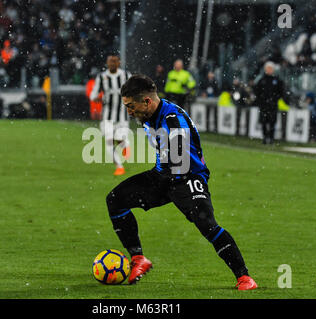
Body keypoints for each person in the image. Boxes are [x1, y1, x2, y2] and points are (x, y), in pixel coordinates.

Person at [106, 74, 257, 290]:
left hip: (188, 177)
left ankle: (244, 278)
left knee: (207, 225)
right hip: (163, 175)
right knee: (115, 200)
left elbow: (179, 161)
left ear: (147, 101)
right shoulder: (150, 114)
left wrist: (165, 181)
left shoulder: (173, 121)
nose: (129, 112)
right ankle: (138, 259)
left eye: (131, 106)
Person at [90, 54, 131, 176]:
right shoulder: (102, 77)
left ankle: (125, 146)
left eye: (114, 61)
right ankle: (119, 166)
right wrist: (96, 98)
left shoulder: (126, 76)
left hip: (122, 116)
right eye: (110, 61)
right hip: (107, 116)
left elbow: (135, 90)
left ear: (119, 63)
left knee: (119, 139)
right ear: (107, 63)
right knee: (109, 141)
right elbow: (93, 94)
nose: (112, 64)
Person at [253, 61, 288, 144]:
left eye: (270, 68)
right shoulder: (261, 80)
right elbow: (257, 91)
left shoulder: (277, 80)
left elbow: (281, 92)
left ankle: (271, 138)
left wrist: (275, 99)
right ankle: (265, 137)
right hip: (264, 105)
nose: (269, 70)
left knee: (272, 121)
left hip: (273, 105)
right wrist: (260, 100)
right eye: (268, 68)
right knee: (264, 121)